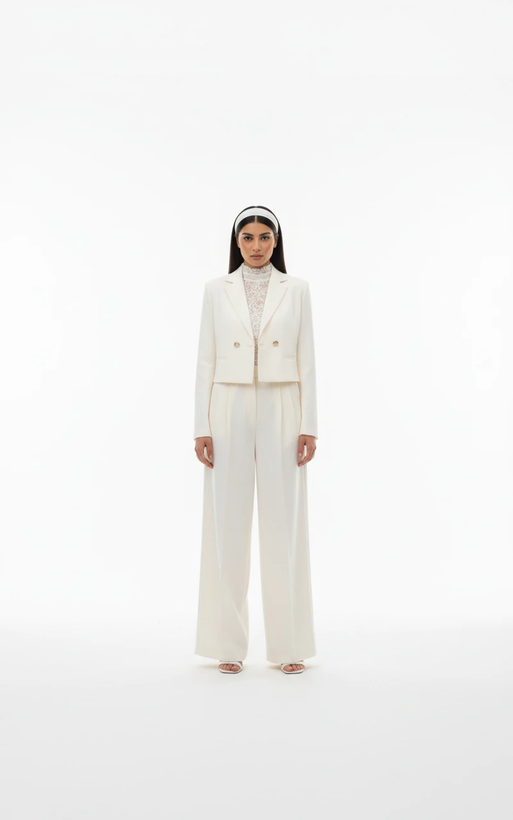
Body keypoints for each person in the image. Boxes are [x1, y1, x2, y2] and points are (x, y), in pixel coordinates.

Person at [193, 205, 318, 675]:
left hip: (283, 403)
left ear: (276, 241)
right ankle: (227, 644)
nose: (257, 245)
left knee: (284, 523)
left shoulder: (297, 289)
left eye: (265, 236)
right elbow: (205, 359)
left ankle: (289, 645)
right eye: (248, 237)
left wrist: (310, 423)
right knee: (227, 523)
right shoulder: (215, 290)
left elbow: (308, 358)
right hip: (227, 404)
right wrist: (201, 426)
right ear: (237, 242)